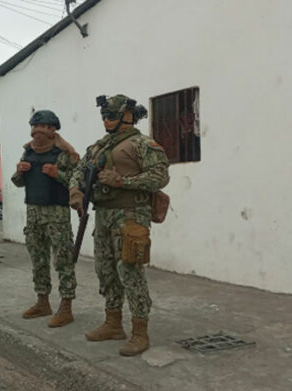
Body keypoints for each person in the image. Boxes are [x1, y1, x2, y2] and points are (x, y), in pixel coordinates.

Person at [69, 94, 170, 356]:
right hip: (103, 214)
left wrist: (122, 182)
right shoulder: (97, 147)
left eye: (111, 116)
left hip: (130, 215)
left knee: (129, 269)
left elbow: (160, 176)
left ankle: (140, 331)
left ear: (127, 116)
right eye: (103, 116)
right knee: (105, 270)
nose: (106, 120)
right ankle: (113, 323)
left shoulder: (142, 144)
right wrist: (76, 193)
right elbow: (78, 172)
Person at [11, 110, 80, 328]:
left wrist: (57, 174)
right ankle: (42, 301)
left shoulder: (64, 153)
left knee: (63, 260)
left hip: (57, 214)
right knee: (38, 260)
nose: (37, 131)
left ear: (53, 129)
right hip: (34, 213)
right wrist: (20, 172)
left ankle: (66, 306)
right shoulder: (28, 152)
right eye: (35, 127)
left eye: (43, 127)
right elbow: (18, 182)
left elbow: (77, 182)